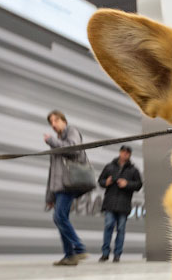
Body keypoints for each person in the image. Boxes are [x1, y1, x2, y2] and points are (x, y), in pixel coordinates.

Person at [43, 110, 88, 266]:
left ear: (64, 120)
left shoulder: (72, 131)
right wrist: (50, 197)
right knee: (61, 218)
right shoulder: (58, 140)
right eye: (51, 123)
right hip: (60, 186)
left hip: (69, 183)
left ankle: (79, 248)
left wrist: (52, 142)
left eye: (56, 121)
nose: (53, 125)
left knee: (59, 217)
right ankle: (70, 255)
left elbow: (74, 149)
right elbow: (52, 171)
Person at [97, 144, 142, 262]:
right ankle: (105, 253)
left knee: (121, 229)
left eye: (127, 152)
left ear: (130, 155)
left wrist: (127, 184)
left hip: (124, 204)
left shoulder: (134, 170)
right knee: (108, 226)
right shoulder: (109, 167)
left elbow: (138, 185)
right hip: (110, 203)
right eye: (123, 151)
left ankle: (117, 254)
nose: (125, 154)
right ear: (120, 152)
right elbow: (100, 181)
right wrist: (105, 182)